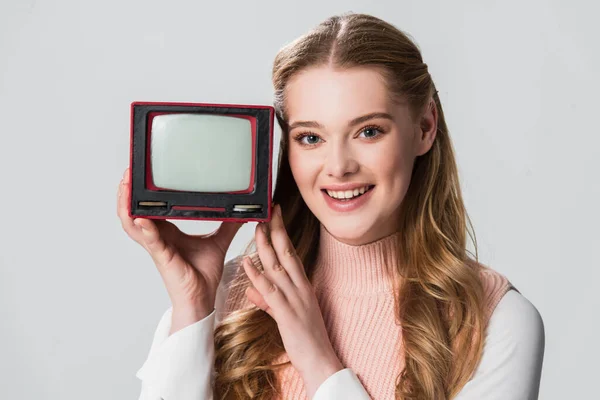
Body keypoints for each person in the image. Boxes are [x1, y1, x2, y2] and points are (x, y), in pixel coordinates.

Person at [117, 13, 545, 400]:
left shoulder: (497, 320)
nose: (338, 167)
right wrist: (193, 303)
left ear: (425, 128)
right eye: (311, 138)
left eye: (369, 131)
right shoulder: (226, 300)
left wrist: (319, 362)